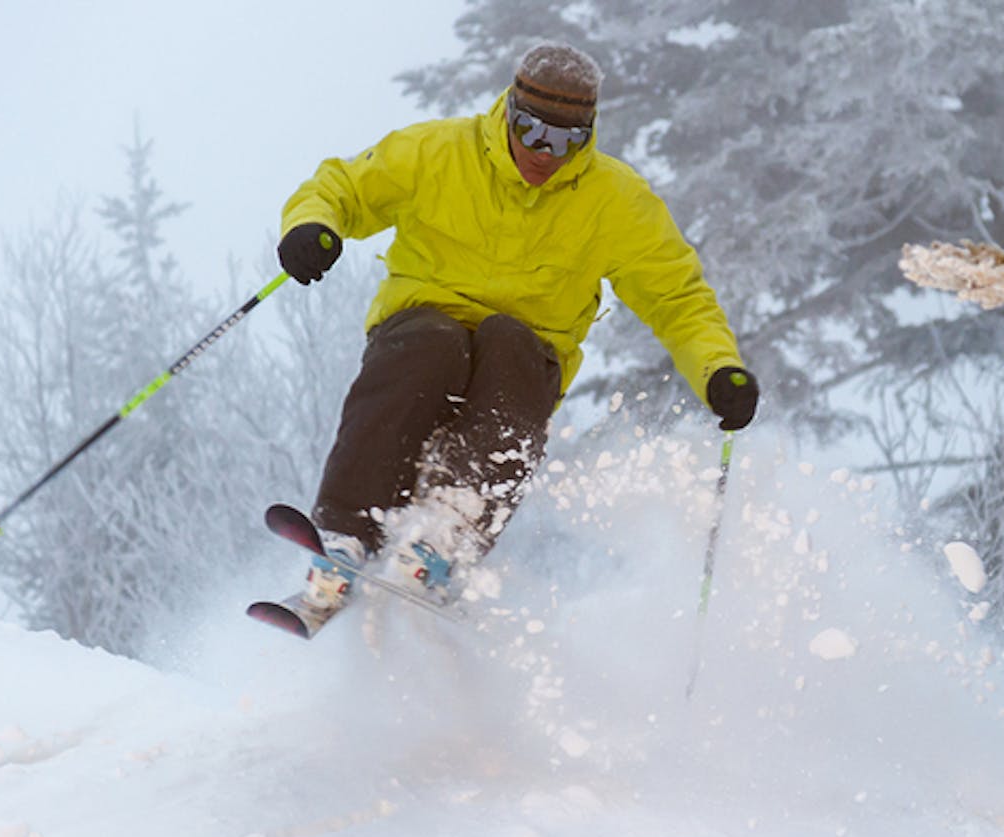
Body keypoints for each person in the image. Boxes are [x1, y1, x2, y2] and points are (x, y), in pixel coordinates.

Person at [275, 41, 758, 615]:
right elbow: (343, 187)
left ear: (588, 135)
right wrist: (313, 226)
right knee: (432, 343)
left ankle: (447, 533)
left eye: (565, 141)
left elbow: (677, 297)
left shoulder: (615, 200)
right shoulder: (438, 152)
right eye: (532, 132)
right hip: (423, 325)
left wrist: (718, 368)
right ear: (509, 111)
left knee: (510, 343)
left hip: (526, 356)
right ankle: (346, 536)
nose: (545, 154)